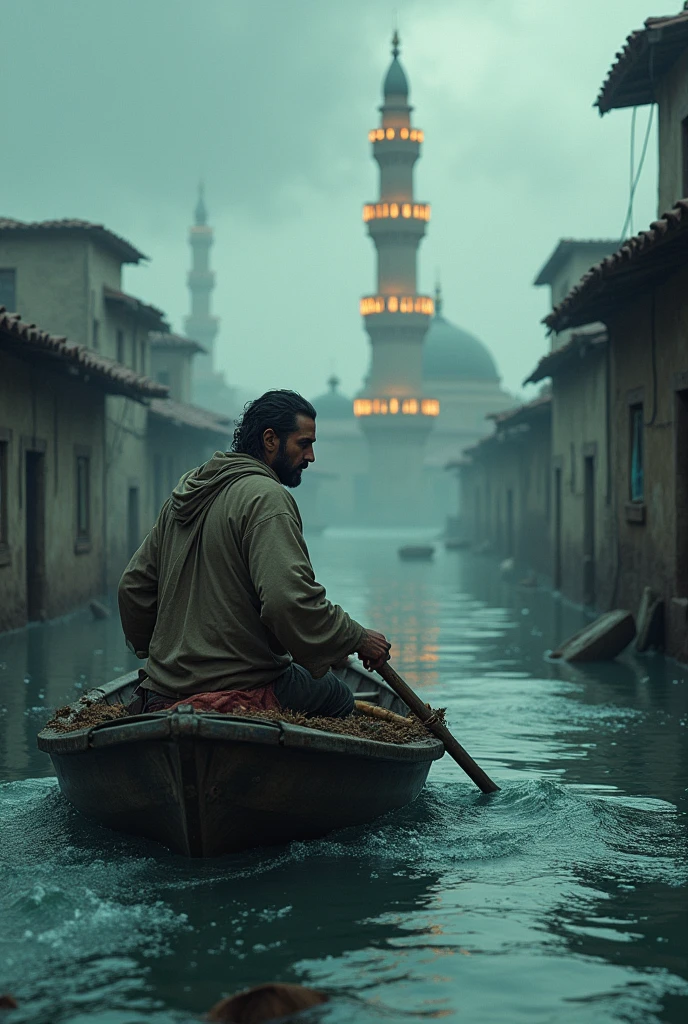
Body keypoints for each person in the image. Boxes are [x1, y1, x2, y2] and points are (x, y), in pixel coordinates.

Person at [118, 390, 390, 717]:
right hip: (243, 682)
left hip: (164, 684)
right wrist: (358, 638)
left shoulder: (188, 491)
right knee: (338, 696)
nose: (311, 456)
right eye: (304, 444)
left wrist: (169, 658)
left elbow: (133, 588)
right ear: (270, 439)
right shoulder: (267, 498)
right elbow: (288, 602)